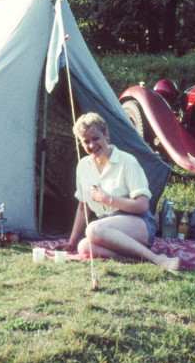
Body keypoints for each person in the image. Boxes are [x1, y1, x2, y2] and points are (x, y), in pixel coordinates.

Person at [57, 112, 180, 272]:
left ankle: (158, 260)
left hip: (139, 224)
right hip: (107, 229)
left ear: (106, 134)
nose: (92, 145)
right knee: (83, 246)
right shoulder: (83, 166)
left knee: (93, 229)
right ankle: (139, 259)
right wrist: (71, 242)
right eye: (86, 141)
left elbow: (143, 206)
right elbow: (83, 207)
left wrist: (107, 198)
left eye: (95, 138)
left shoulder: (127, 161)